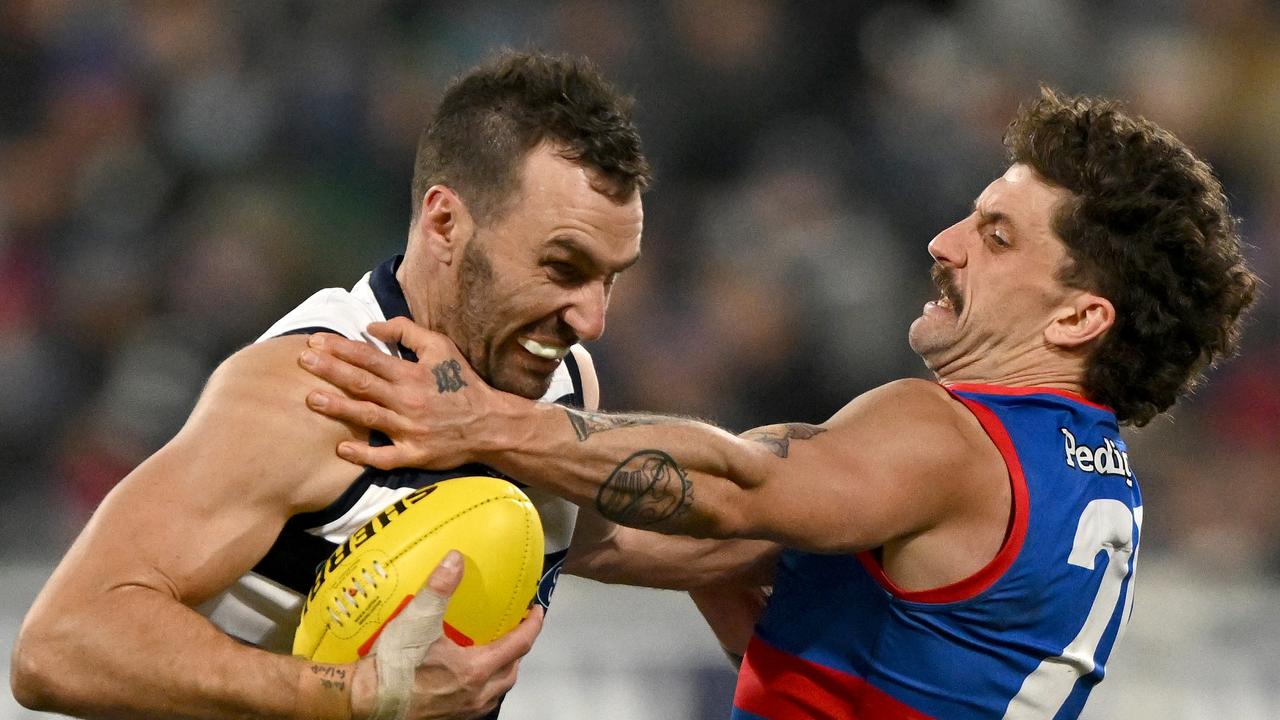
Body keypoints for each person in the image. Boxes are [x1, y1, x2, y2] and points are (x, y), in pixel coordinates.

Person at [293, 88, 1260, 719]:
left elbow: (735, 488)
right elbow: (708, 548)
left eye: (997, 237)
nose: (945, 240)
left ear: (1080, 316)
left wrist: (478, 423)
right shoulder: (1087, 476)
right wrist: (470, 490)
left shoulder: (950, 441)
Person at [11, 51, 772, 720]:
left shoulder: (560, 380)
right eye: (563, 267)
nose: (592, 318)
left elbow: (596, 533)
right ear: (444, 223)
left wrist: (757, 563)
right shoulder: (314, 391)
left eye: (611, 279)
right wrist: (359, 694)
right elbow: (60, 646)